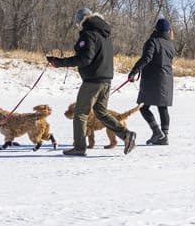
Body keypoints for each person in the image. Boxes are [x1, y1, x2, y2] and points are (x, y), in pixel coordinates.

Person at [46, 8, 136, 155]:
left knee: (80, 113)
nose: (77, 27)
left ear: (81, 21)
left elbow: (85, 59)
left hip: (93, 80)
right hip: (106, 79)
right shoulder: (104, 34)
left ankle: (79, 147)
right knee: (101, 112)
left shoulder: (88, 35)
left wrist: (59, 63)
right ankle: (126, 135)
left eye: (77, 24)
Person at [128, 17, 175, 145]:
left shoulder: (153, 41)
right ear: (168, 30)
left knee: (143, 106)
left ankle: (156, 131)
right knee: (163, 108)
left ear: (156, 28)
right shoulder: (170, 44)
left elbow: (146, 58)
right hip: (167, 79)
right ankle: (164, 136)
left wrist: (134, 71)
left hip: (153, 79)